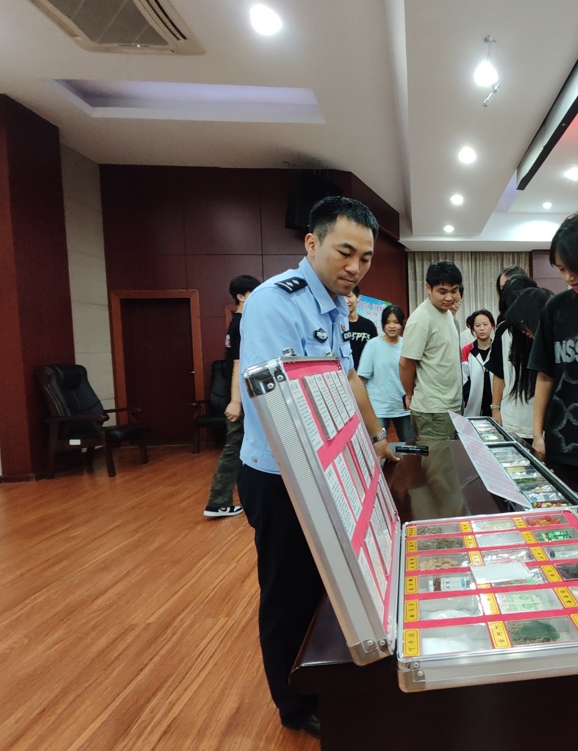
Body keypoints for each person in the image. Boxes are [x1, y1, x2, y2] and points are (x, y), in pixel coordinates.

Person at [236, 196, 398, 738]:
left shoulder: (333, 305)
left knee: (323, 584)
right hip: (282, 476)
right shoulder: (274, 302)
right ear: (312, 243)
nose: (355, 267)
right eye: (345, 252)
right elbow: (278, 401)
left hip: (325, 469)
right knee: (288, 591)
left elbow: (348, 380)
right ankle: (293, 703)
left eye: (366, 258)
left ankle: (327, 681)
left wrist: (376, 438)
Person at [529, 214, 578, 496]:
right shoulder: (556, 308)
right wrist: (537, 433)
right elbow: (545, 375)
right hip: (563, 444)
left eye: (576, 268)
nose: (569, 277)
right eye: (561, 269)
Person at [203, 274, 261, 518]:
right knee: (234, 445)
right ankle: (218, 502)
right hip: (242, 396)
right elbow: (238, 363)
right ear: (241, 296)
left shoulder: (237, 322)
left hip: (243, 394)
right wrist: (236, 401)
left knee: (241, 445)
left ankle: (225, 499)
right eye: (254, 293)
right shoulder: (242, 324)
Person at [399, 261, 463, 441]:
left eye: (454, 291)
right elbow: (405, 364)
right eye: (442, 291)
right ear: (428, 287)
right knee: (438, 459)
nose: (449, 297)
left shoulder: (448, 314)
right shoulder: (421, 319)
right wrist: (409, 394)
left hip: (452, 406)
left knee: (452, 457)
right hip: (433, 411)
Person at [489, 281, 552, 442]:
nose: (523, 331)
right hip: (511, 421)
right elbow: (499, 373)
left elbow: (546, 380)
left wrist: (538, 433)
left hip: (543, 425)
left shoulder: (548, 337)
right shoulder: (505, 331)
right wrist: (495, 408)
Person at [357, 305, 416, 442]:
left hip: (404, 407)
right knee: (378, 446)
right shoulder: (373, 345)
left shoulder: (407, 345)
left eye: (396, 322)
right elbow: (362, 378)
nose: (392, 326)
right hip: (378, 407)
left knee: (410, 446)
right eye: (388, 322)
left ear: (402, 324)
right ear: (383, 324)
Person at [461, 308, 495, 417]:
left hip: (496, 404)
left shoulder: (498, 349)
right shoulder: (466, 351)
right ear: (472, 328)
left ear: (492, 326)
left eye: (485, 324)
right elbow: (463, 379)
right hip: (473, 405)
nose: (482, 328)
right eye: (477, 325)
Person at [344, 284, 378, 365]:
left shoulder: (369, 325)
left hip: (365, 371)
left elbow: (375, 351)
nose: (346, 301)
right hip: (344, 370)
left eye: (349, 296)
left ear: (358, 297)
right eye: (342, 297)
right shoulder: (337, 325)